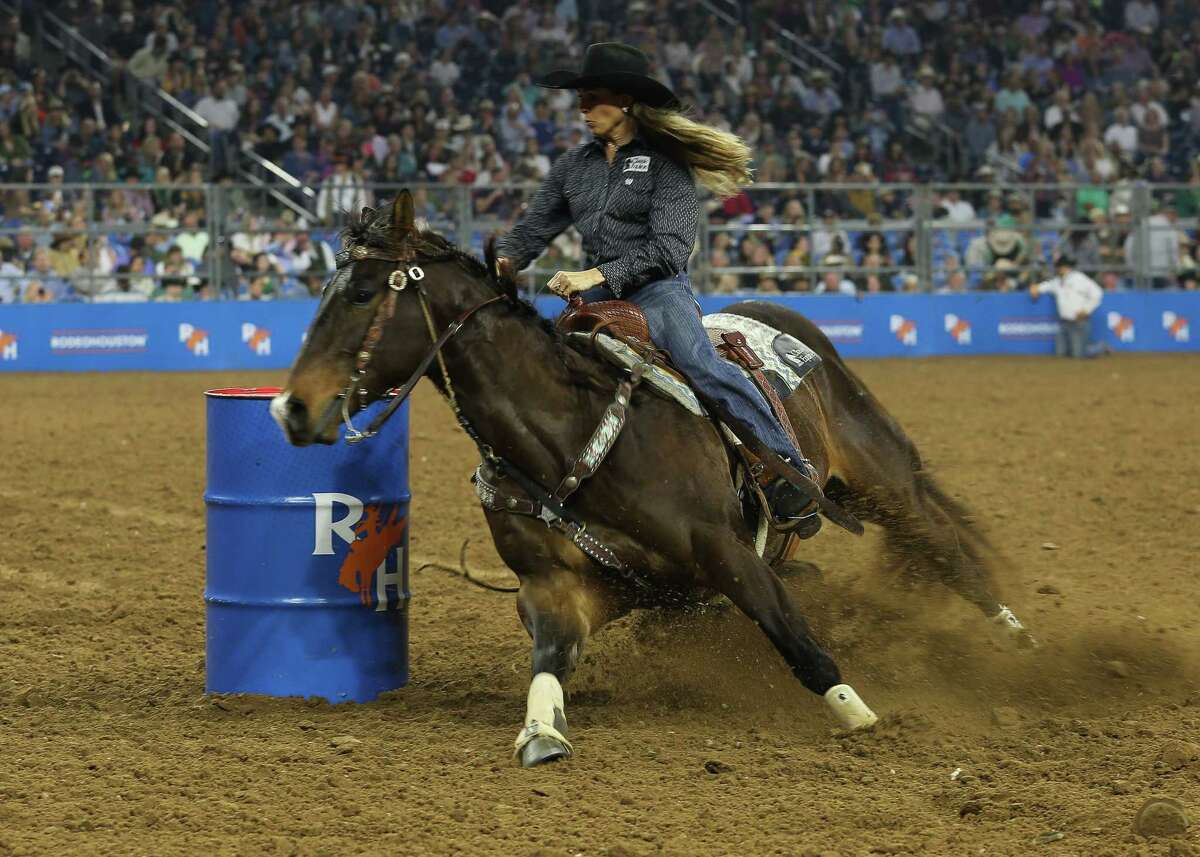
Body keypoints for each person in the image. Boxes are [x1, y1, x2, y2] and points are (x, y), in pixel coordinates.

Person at [495, 42, 823, 536]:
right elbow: (530, 231)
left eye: (592, 100)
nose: (582, 110)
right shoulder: (572, 168)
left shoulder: (667, 163)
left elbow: (670, 250)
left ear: (624, 101)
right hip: (597, 301)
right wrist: (501, 264)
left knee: (698, 362)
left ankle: (787, 468)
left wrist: (595, 277)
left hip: (658, 292)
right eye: (580, 101)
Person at [1030, 255, 1107, 358]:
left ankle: (1101, 347)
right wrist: (1036, 288)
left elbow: (1097, 293)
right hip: (1064, 323)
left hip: (1078, 321)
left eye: (1062, 266)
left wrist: (1086, 310)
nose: (1060, 269)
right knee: (1060, 353)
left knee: (1078, 354)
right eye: (1059, 267)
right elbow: (1046, 286)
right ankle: (1090, 346)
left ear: (1068, 267)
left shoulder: (1079, 278)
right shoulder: (1057, 282)